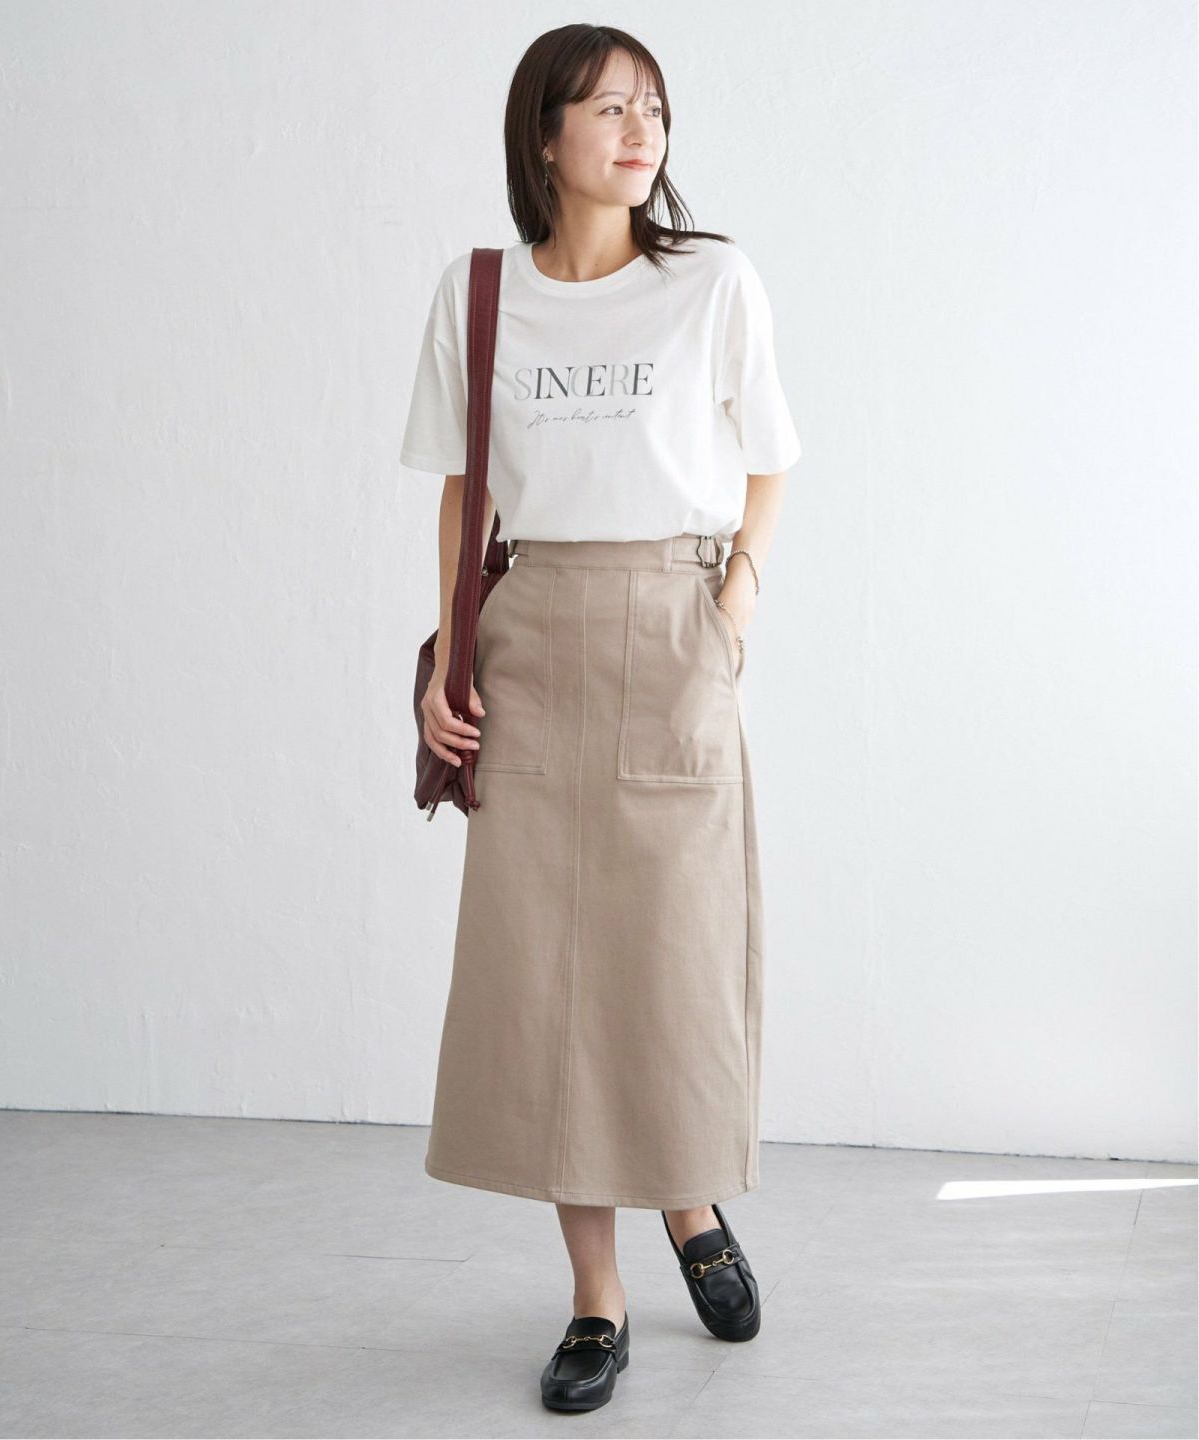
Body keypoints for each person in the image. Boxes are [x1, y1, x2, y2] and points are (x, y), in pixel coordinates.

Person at [400, 22, 801, 1413]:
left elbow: (772, 459)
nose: (640, 133)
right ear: (544, 135)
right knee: (549, 972)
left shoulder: (712, 282)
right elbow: (465, 490)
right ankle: (595, 1298)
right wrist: (455, 652)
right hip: (534, 638)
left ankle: (689, 1201)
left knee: (672, 955)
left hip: (674, 623)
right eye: (609, 109)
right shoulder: (483, 293)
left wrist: (733, 603)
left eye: (654, 109)